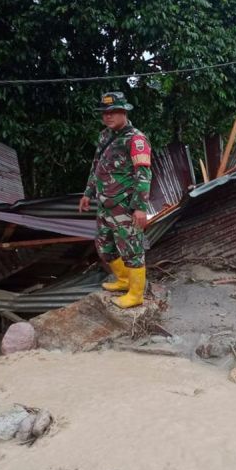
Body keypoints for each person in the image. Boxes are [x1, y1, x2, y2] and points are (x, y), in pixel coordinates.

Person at [78, 92, 152, 309]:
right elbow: (96, 166)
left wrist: (140, 207)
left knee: (132, 249)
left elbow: (144, 174)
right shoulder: (105, 136)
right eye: (104, 113)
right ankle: (123, 280)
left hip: (125, 205)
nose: (107, 117)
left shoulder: (136, 139)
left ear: (124, 112)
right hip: (105, 203)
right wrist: (87, 193)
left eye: (113, 112)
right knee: (104, 245)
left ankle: (136, 294)